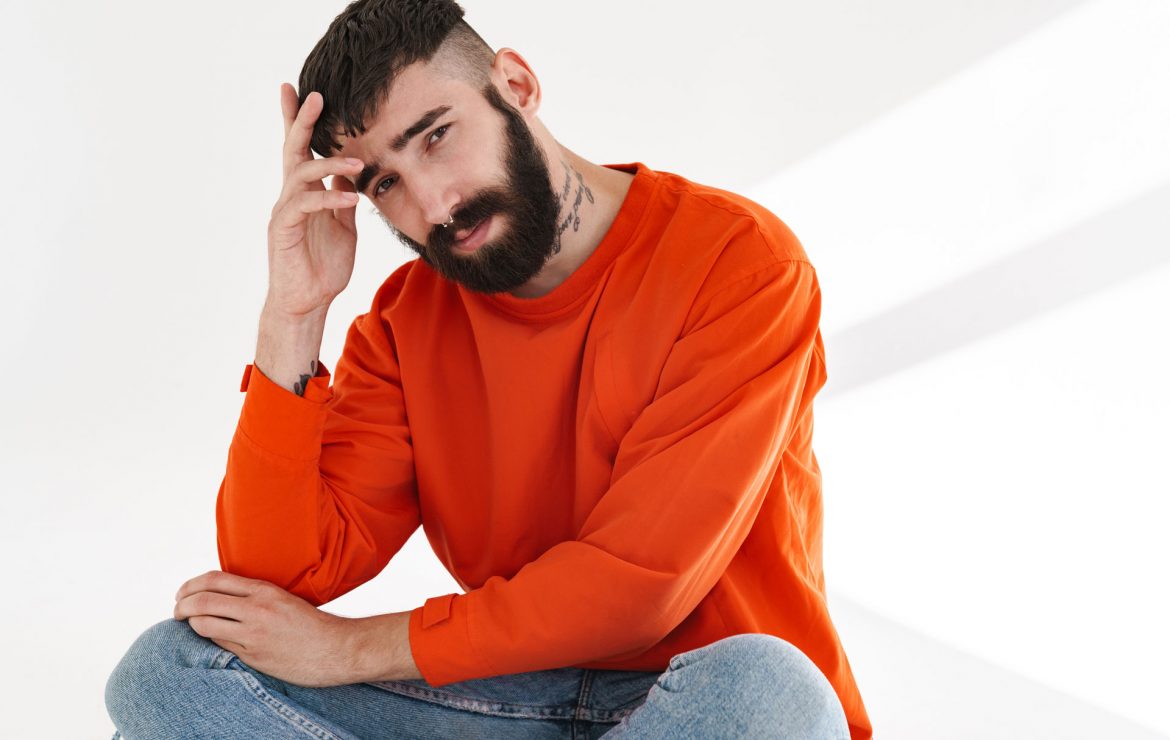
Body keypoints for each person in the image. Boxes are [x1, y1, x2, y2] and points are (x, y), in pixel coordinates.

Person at [105, 1, 873, 737]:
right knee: (171, 671)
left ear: (516, 85)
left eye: (436, 136)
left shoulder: (736, 264)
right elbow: (279, 580)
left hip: (703, 698)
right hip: (505, 698)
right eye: (386, 183)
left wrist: (349, 649)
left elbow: (640, 586)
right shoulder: (406, 322)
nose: (435, 204)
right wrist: (294, 314)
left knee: (773, 690)